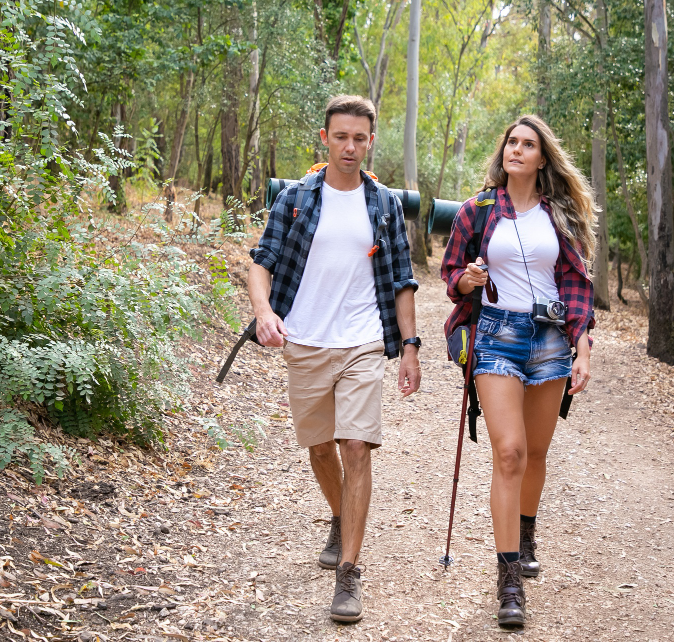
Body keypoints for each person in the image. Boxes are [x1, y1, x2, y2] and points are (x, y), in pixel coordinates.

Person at [248, 95, 422, 623]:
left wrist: (409, 347)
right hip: (304, 341)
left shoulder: (385, 204)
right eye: (341, 136)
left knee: (355, 446)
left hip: (363, 341)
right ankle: (339, 515)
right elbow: (262, 265)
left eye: (360, 138)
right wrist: (263, 313)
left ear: (372, 141)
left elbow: (401, 281)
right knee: (320, 448)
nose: (351, 146)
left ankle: (349, 573)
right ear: (325, 139)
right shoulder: (297, 199)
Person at [440, 115, 597, 628]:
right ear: (503, 151)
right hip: (497, 335)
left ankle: (526, 531)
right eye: (512, 141)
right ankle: (509, 582)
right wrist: (467, 280)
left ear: (542, 158)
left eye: (528, 144)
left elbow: (577, 286)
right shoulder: (479, 210)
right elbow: (451, 277)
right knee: (508, 452)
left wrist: (583, 347)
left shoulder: (561, 215)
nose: (518, 150)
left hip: (550, 337)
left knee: (534, 453)